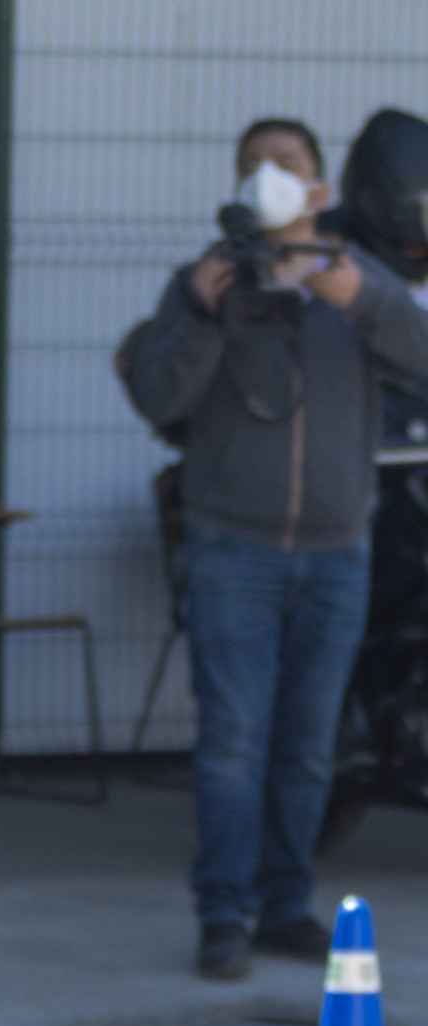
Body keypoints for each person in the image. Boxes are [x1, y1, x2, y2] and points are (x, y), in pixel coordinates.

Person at [118, 117, 428, 981]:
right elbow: (155, 394)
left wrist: (357, 296)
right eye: (254, 164)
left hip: (336, 550)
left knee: (307, 745)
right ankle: (224, 913)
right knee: (232, 740)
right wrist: (210, 316)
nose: (269, 178)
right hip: (234, 549)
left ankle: (287, 905)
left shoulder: (358, 280)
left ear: (322, 190)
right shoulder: (204, 280)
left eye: (287, 165)